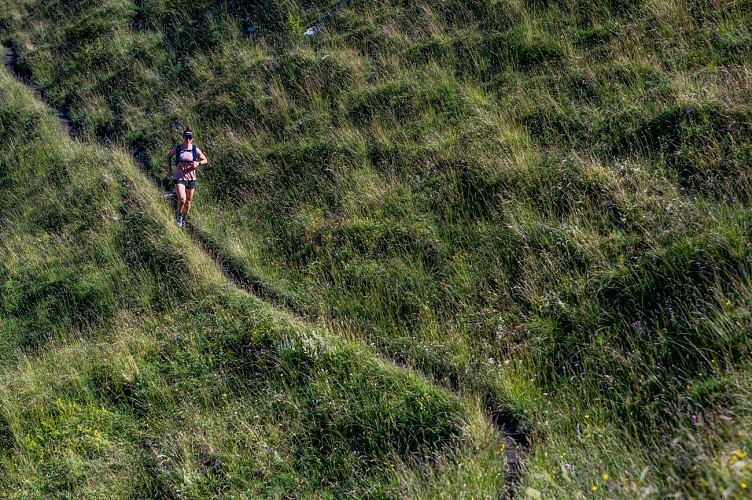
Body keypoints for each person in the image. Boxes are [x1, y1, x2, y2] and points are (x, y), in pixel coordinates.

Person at [166, 128, 208, 229]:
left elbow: (205, 159)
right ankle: (179, 216)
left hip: (191, 178)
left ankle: (184, 220)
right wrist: (169, 170)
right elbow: (168, 155)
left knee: (188, 201)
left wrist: (198, 163)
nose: (188, 139)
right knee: (182, 198)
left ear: (192, 139)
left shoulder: (195, 149)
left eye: (190, 137)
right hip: (179, 176)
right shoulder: (178, 148)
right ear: (183, 137)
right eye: (186, 137)